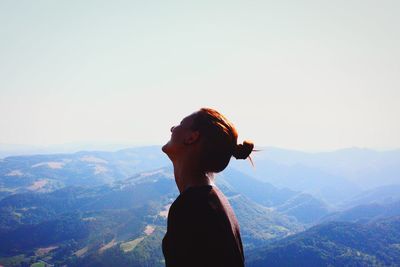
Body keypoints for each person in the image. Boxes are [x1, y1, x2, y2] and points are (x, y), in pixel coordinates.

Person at [161, 107, 254, 267]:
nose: (172, 128)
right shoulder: (212, 201)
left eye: (181, 124)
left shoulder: (191, 207)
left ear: (191, 137)